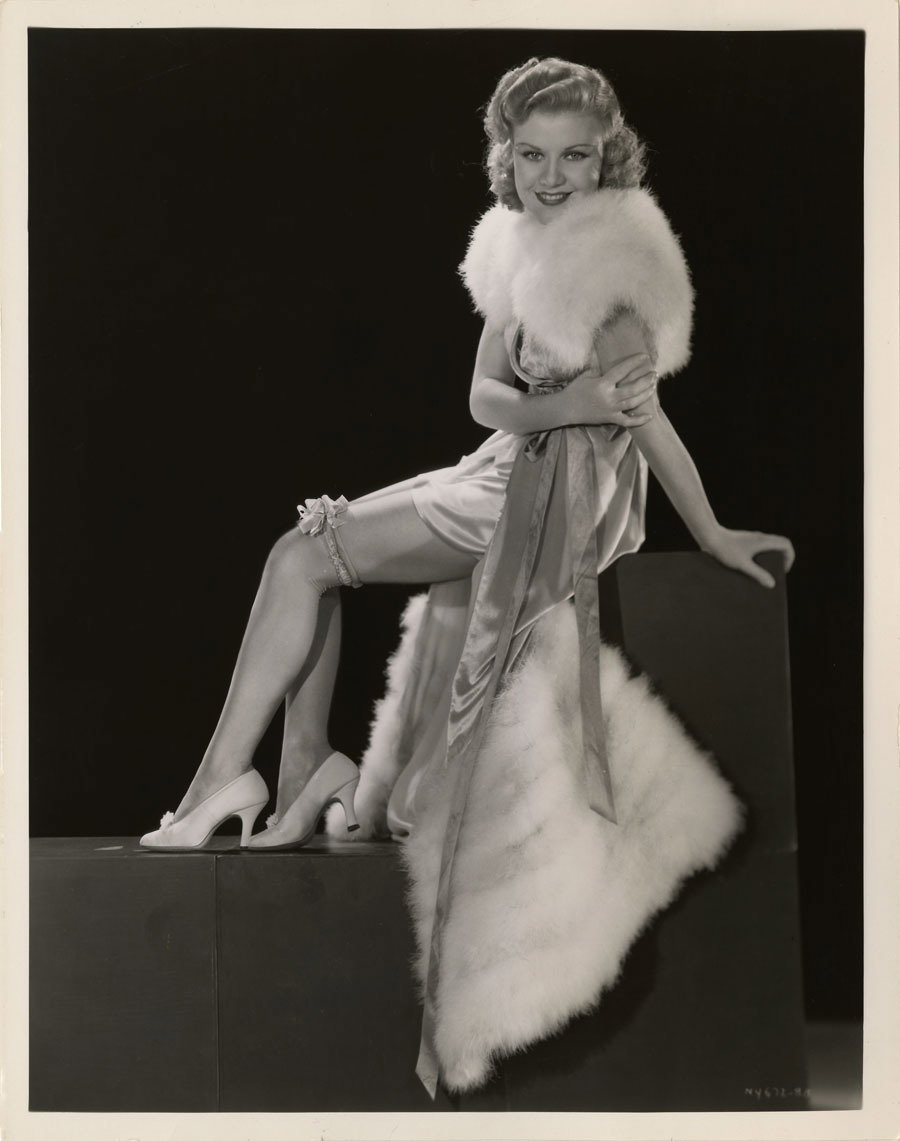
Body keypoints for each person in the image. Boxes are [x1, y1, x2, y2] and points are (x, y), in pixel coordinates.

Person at [140, 56, 794, 1096]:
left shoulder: (615, 273)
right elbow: (487, 398)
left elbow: (647, 424)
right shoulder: (517, 246)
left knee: (301, 557)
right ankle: (298, 773)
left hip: (555, 498)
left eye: (575, 156)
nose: (552, 176)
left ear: (609, 158)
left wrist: (710, 532)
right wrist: (560, 407)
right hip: (506, 463)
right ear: (506, 158)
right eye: (531, 156)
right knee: (313, 542)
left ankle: (229, 781)